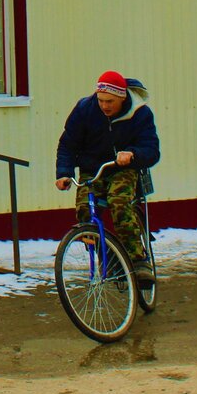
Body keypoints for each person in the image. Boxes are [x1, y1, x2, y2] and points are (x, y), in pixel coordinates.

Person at [55, 70, 160, 283]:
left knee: (119, 202)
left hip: (123, 168)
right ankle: (108, 257)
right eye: (101, 100)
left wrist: (132, 154)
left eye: (110, 101)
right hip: (92, 168)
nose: (105, 106)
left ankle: (138, 260)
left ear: (122, 97)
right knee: (85, 209)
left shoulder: (140, 114)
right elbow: (67, 144)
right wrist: (64, 173)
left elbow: (152, 150)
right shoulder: (85, 109)